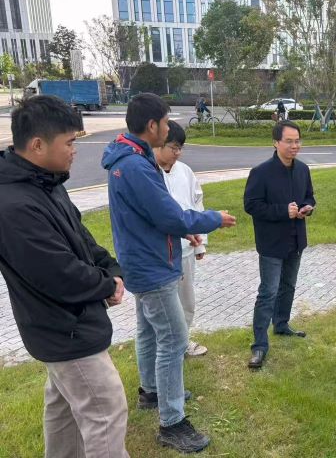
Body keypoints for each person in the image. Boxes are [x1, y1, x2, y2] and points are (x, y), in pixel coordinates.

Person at [102, 93, 236, 453]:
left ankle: (151, 392)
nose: (167, 128)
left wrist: (182, 232)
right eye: (164, 122)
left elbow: (154, 216)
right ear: (152, 126)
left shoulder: (131, 158)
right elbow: (169, 214)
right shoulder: (135, 166)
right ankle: (172, 422)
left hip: (142, 261)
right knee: (174, 339)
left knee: (149, 331)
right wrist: (212, 219)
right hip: (152, 267)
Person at [0, 95, 129, 457]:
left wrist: (111, 269)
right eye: (70, 142)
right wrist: (106, 285)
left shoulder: (46, 182)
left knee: (64, 413)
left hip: (65, 325)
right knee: (105, 411)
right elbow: (57, 273)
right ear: (37, 145)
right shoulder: (13, 205)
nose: (75, 150)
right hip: (63, 329)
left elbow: (81, 237)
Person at [244, 120, 315, 369]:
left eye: (297, 141)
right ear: (276, 142)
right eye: (289, 141)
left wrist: (308, 207)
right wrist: (282, 211)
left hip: (296, 240)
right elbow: (251, 205)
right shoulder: (261, 172)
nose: (294, 146)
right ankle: (259, 345)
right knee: (268, 292)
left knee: (288, 286)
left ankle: (282, 324)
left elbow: (309, 196)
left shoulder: (302, 169)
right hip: (271, 243)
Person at [154, 120, 209, 357]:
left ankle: (183, 342)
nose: (178, 153)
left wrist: (200, 243)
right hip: (160, 253)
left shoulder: (185, 171)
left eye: (180, 148)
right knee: (164, 305)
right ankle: (164, 347)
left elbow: (197, 204)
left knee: (186, 300)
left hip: (187, 247)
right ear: (158, 144)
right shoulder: (148, 173)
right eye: (173, 148)